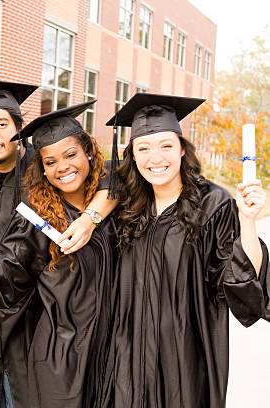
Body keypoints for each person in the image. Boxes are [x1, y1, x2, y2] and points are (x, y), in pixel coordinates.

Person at [0, 80, 118, 408]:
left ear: (18, 129)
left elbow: (116, 180)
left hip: (39, 324)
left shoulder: (41, 179)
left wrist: (90, 218)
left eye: (2, 124)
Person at [107, 93, 270, 407]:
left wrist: (247, 222)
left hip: (184, 355)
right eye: (144, 148)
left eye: (166, 146)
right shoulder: (126, 206)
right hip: (129, 355)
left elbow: (238, 279)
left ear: (182, 149)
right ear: (133, 156)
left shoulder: (212, 203)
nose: (156, 158)